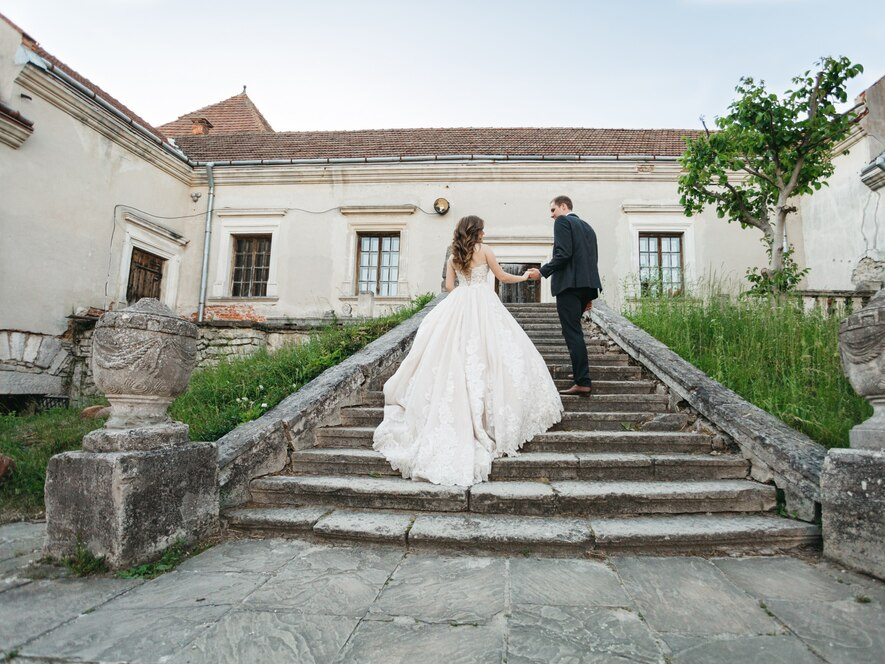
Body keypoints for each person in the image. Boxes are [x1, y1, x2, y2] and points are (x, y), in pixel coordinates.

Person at [373, 215, 564, 487]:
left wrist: (465, 292)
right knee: (493, 352)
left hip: (460, 302)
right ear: (477, 232)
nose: (485, 233)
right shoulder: (484, 250)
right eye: (483, 229)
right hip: (484, 302)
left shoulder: (454, 254)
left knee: (455, 350)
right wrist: (524, 275)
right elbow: (501, 277)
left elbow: (450, 287)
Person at [527, 196, 601, 396]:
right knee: (574, 332)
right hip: (586, 286)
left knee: (572, 333)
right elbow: (590, 259)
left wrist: (541, 272)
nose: (552, 216)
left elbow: (563, 254)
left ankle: (582, 381)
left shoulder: (563, 221)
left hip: (569, 286)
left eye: (553, 210)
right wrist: (589, 295)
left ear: (563, 206)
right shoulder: (588, 227)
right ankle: (580, 374)